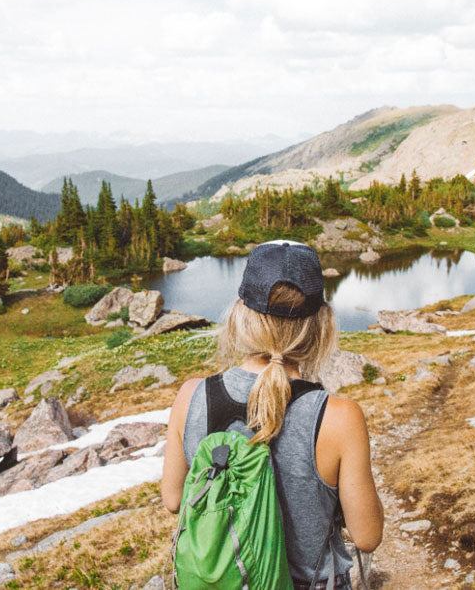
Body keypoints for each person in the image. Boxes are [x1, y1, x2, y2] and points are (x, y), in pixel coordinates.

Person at [162, 241, 384, 589]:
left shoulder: (192, 396)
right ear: (321, 325)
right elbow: (367, 536)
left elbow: (174, 500)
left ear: (240, 314)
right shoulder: (340, 417)